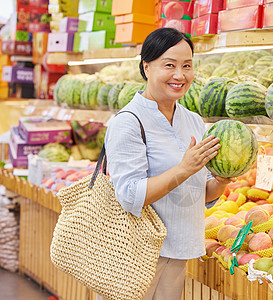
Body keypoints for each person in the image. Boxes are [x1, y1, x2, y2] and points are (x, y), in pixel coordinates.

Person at [98, 28, 234, 300]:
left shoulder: (194, 121)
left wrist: (222, 179)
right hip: (136, 254)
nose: (180, 75)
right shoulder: (128, 122)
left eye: (187, 66)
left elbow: (201, 195)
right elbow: (129, 196)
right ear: (147, 67)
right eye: (169, 65)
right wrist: (184, 169)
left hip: (179, 249)